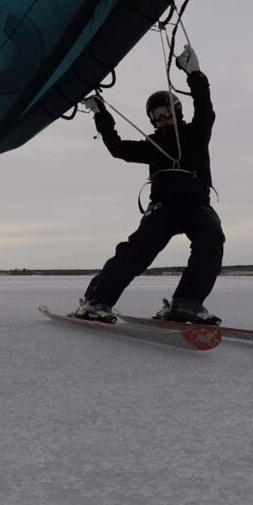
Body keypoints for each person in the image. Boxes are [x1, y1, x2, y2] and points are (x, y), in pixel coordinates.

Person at [72, 44, 224, 326]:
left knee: (211, 240)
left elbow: (205, 110)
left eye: (165, 112)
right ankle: (96, 301)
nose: (161, 119)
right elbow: (117, 148)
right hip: (163, 207)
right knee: (136, 252)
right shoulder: (152, 145)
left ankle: (187, 304)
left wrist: (195, 75)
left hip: (196, 206)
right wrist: (100, 113)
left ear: (176, 110)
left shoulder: (196, 132)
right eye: (155, 116)